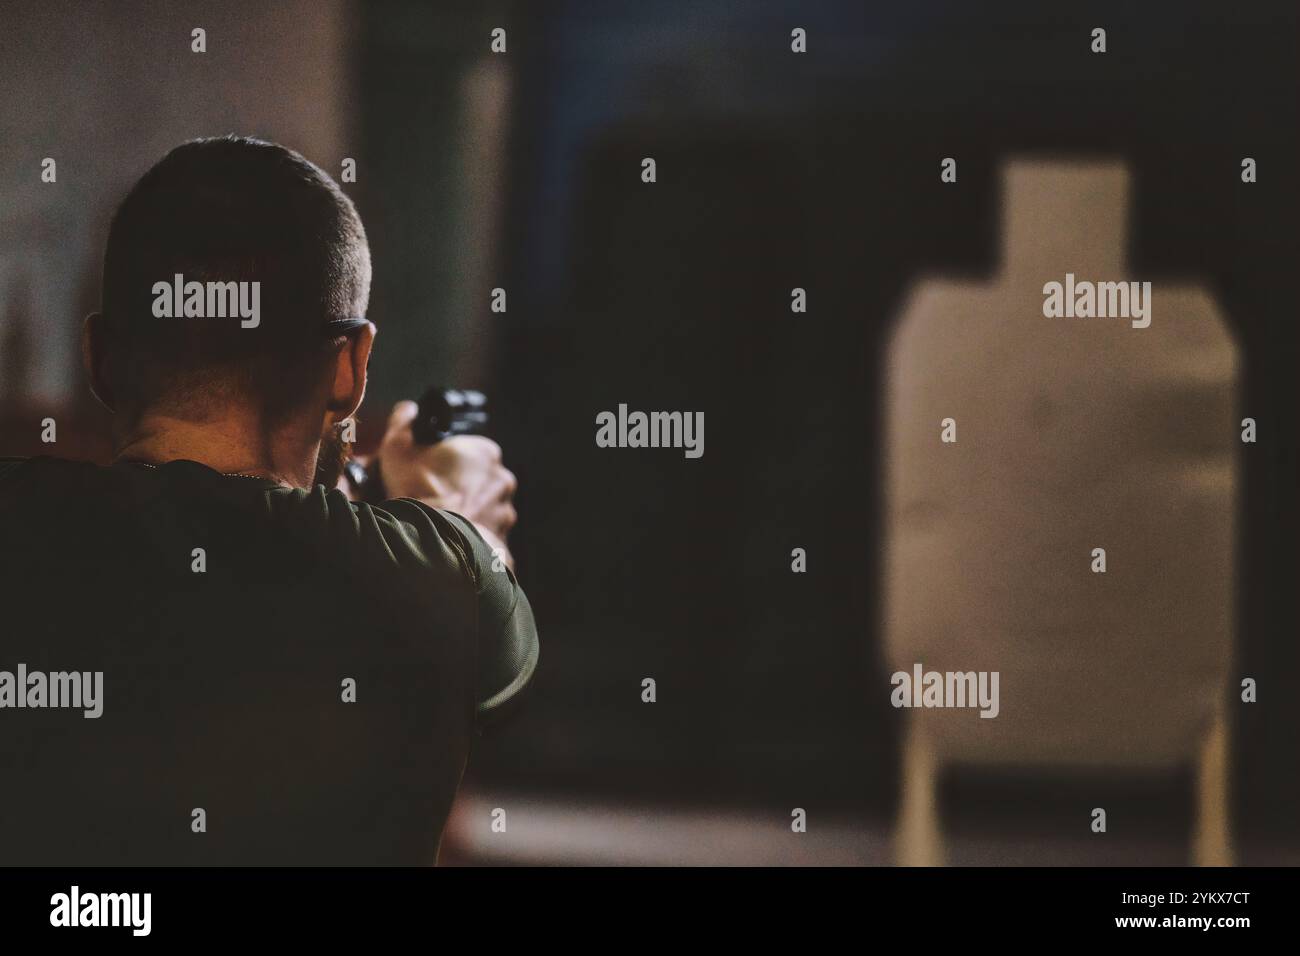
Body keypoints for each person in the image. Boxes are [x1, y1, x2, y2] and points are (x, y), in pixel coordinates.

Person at [0, 135, 537, 865]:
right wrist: (449, 511)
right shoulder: (441, 578)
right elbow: (493, 645)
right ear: (349, 370)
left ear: (99, 358)